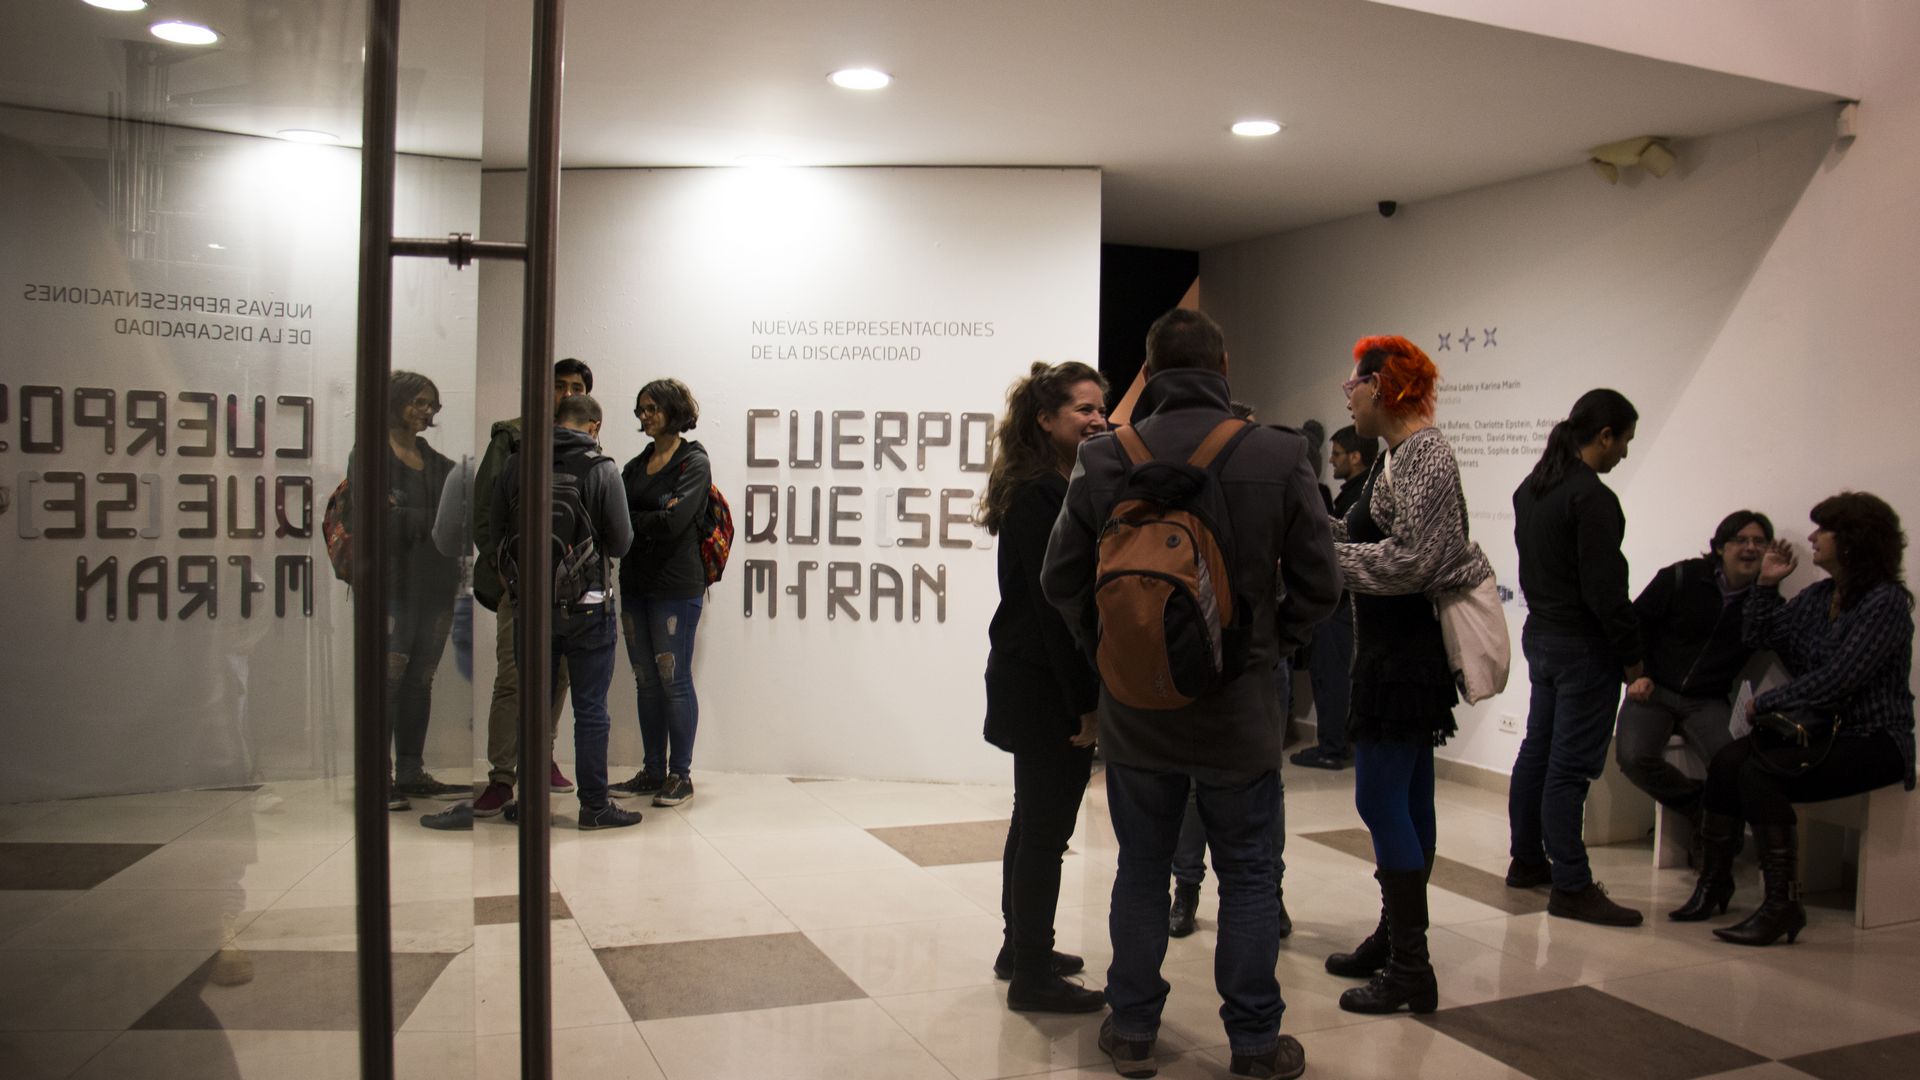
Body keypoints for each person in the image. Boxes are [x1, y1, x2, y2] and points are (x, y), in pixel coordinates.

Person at [1042, 308, 1339, 1080]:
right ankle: (1254, 1043)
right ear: (1224, 366)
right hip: (1241, 708)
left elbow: (1060, 578)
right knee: (1248, 871)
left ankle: (1133, 1030)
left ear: (1150, 371)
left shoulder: (1105, 456)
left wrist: (1117, 650)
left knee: (1141, 866)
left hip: (1137, 709)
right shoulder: (1278, 452)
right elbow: (1321, 584)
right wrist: (1272, 646)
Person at [1321, 337, 1490, 1016]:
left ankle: (1411, 968)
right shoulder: (1399, 455)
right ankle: (1397, 941)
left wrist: (1326, 561)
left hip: (1403, 661)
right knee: (1409, 802)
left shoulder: (1425, 454)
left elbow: (1417, 562)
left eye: (1353, 385)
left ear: (1382, 385)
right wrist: (1311, 527)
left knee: (1381, 801)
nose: (1347, 396)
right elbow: (1370, 539)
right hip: (1393, 654)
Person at [1681, 492, 1914, 945]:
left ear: (1853, 540)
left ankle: (1782, 904)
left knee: (1760, 774)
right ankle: (1714, 882)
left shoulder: (1884, 603)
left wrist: (1769, 701)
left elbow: (1841, 679)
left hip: (1874, 740)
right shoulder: (1821, 595)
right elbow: (1758, 635)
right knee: (1728, 760)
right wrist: (1766, 586)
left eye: (1824, 530)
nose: (1813, 537)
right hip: (1819, 732)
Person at [979, 361, 1109, 1014]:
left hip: (1033, 678)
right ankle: (1032, 973)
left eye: (1101, 408)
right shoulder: (1041, 494)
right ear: (1046, 419)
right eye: (1084, 409)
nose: (1098, 419)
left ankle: (1020, 949)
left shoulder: (1051, 485)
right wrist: (1085, 702)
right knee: (1045, 833)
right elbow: (1056, 611)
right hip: (1045, 685)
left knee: (1031, 820)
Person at [1508, 388, 1645, 926]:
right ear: (1604, 436)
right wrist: (1633, 660)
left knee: (1537, 753)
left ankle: (1526, 859)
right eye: (1625, 441)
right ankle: (1570, 883)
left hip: (1542, 637)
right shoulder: (1591, 498)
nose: (1625, 453)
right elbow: (1606, 591)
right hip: (1583, 648)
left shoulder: (1532, 489)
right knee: (1567, 770)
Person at [489, 393, 637, 829]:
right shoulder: (601, 468)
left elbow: (495, 532)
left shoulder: (517, 463)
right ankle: (594, 807)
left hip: (530, 610)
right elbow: (622, 542)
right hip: (588, 607)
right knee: (590, 710)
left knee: (533, 707)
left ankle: (531, 804)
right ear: (594, 426)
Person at [469, 359, 595, 818]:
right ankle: (502, 777)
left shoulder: (588, 443)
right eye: (559, 385)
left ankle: (541, 758)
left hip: (567, 589)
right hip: (520, 585)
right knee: (513, 676)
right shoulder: (512, 436)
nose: (567, 394)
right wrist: (504, 569)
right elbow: (486, 514)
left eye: (576, 387)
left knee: (558, 675)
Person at [1615, 511, 1773, 863]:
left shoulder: (1764, 603)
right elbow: (1635, 624)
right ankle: (1701, 808)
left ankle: (1714, 846)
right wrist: (1637, 674)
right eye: (1741, 540)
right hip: (1654, 688)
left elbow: (1769, 638)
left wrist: (1768, 588)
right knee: (1633, 757)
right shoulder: (1682, 577)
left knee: (1734, 765)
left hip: (1708, 699)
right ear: (1720, 547)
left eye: (1759, 541)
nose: (1750, 548)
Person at [354, 371, 465, 811]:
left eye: (431, 404)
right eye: (418, 401)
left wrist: (407, 513)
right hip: (391, 587)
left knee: (420, 681)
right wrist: (428, 518)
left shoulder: (440, 465)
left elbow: (455, 521)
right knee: (387, 681)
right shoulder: (369, 455)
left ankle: (411, 771)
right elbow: (374, 519)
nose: (426, 411)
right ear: (395, 400)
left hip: (436, 586)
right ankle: (376, 778)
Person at [607, 379, 710, 808]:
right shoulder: (635, 466)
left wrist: (636, 519)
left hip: (676, 588)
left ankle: (680, 775)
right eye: (640, 410)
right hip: (635, 584)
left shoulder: (694, 462)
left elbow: (675, 523)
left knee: (674, 681)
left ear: (674, 410)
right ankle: (652, 771)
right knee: (646, 682)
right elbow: (612, 519)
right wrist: (652, 515)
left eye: (652, 408)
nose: (644, 416)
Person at [1290, 424, 1376, 771]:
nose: (1331, 460)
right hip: (1344, 600)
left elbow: (1343, 548)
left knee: (1332, 674)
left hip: (1341, 601)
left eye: (1337, 454)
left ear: (1356, 457)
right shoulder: (1357, 493)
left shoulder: (1358, 498)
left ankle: (1332, 746)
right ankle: (1335, 742)